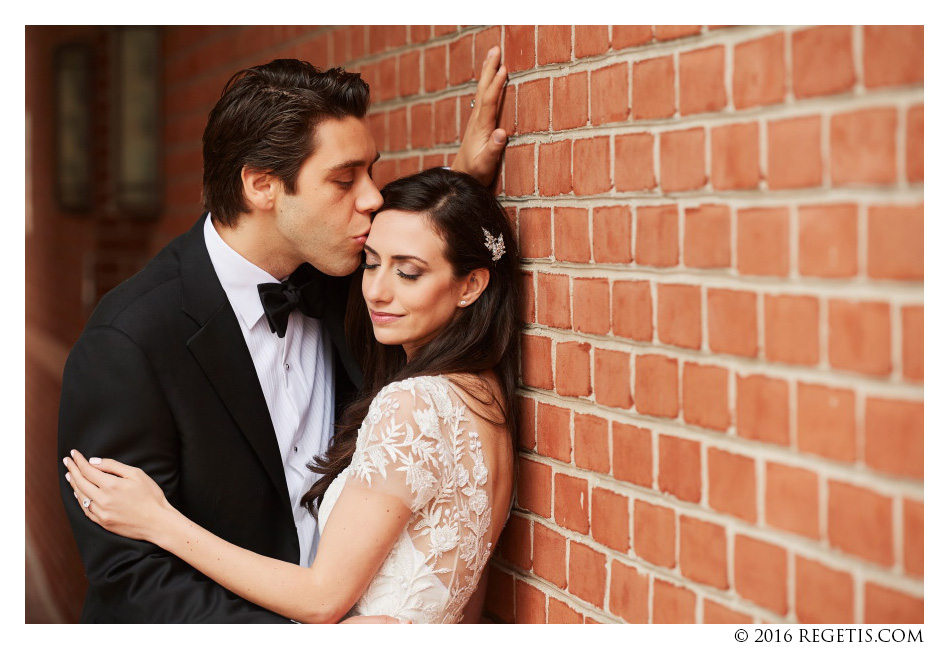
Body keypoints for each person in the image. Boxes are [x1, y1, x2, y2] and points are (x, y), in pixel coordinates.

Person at [57, 50, 508, 623]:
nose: (372, 197)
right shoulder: (130, 341)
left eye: (370, 171)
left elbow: (428, 271)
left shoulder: (350, 282)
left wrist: (462, 187)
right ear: (261, 185)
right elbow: (134, 580)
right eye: (344, 179)